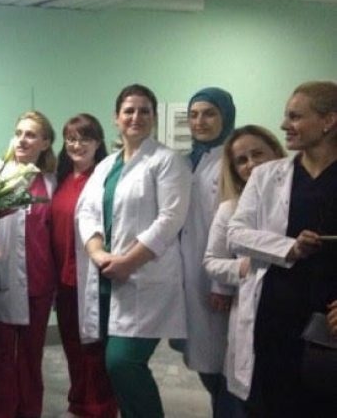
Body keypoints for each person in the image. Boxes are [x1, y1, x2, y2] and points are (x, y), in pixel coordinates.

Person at [76, 84, 191, 417]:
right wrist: (97, 253)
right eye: (129, 110)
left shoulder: (167, 161)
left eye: (144, 111)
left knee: (123, 362)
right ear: (116, 118)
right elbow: (87, 211)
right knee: (116, 370)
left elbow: (170, 219)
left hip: (145, 278)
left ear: (154, 117)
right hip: (108, 274)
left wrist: (128, 262)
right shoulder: (106, 165)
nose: (136, 117)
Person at [227, 81, 337, 417]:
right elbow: (236, 234)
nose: (284, 125)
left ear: (328, 121)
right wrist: (289, 248)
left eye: (295, 116)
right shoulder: (266, 176)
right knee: (272, 403)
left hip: (329, 320)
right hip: (275, 314)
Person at [203, 125, 286, 411]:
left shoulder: (298, 198)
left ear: (276, 152)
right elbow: (212, 261)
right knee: (254, 397)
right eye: (241, 160)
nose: (251, 164)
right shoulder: (230, 209)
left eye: (257, 154)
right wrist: (245, 267)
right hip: (252, 312)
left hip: (295, 311)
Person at [0, 110, 57, 418]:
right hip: (1, 277)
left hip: (39, 283)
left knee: (30, 357)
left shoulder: (49, 182)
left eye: (31, 135)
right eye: (19, 133)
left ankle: (29, 412)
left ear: (45, 143)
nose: (22, 140)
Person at [51, 114, 116, 418]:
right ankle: (78, 404)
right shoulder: (61, 178)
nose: (77, 145)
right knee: (72, 346)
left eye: (85, 139)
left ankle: (100, 408)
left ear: (98, 142)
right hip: (64, 279)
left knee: (94, 349)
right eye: (71, 139)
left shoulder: (105, 179)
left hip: (92, 277)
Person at [178, 87, 238, 417]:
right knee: (204, 359)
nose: (200, 121)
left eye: (209, 114)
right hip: (190, 272)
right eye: (194, 114)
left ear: (226, 117)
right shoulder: (189, 160)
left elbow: (233, 225)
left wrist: (222, 284)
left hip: (219, 278)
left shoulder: (233, 160)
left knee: (224, 362)